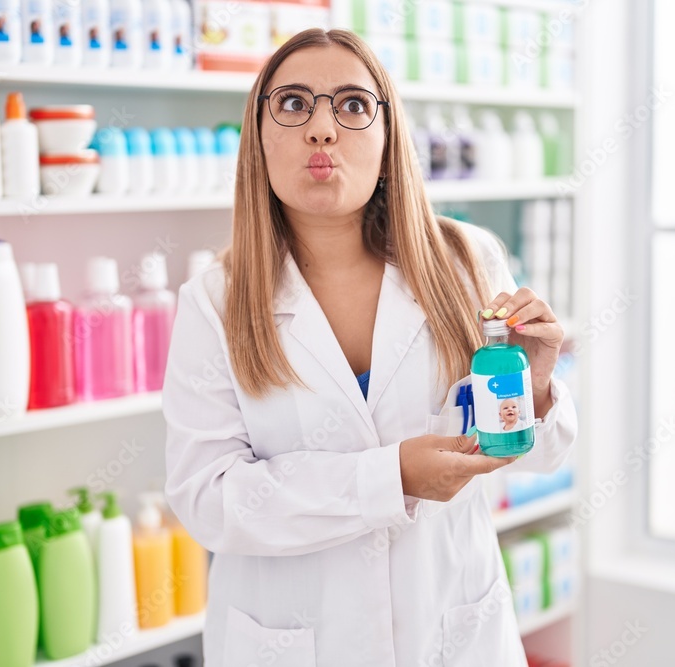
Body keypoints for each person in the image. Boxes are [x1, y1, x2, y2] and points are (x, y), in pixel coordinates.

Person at [163, 28, 577, 666]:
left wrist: (537, 391)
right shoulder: (213, 301)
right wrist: (391, 477)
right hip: (294, 641)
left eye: (353, 105)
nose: (322, 129)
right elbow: (209, 501)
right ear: (258, 139)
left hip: (450, 624)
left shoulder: (467, 261)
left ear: (388, 139)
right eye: (294, 104)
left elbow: (531, 455)